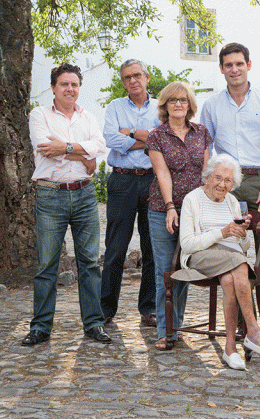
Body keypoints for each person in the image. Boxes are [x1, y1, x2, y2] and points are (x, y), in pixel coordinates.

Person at [200, 42, 260, 343]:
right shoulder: (212, 105)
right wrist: (210, 186)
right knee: (232, 251)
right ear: (222, 69)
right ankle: (243, 320)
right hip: (229, 185)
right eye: (228, 65)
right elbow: (207, 148)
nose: (234, 69)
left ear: (249, 65)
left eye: (239, 64)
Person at [22, 62, 110, 345]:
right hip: (50, 195)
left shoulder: (88, 117)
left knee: (89, 263)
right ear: (53, 88)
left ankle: (94, 324)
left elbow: (100, 145)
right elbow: (45, 149)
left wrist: (67, 148)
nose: (70, 89)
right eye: (64, 84)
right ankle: (41, 327)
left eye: (74, 84)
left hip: (85, 195)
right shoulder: (39, 115)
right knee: (47, 265)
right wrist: (83, 153)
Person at [175, 154, 260, 370]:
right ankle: (253, 330)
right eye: (218, 178)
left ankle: (230, 348)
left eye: (228, 180)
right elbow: (187, 245)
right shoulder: (192, 199)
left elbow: (242, 247)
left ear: (233, 184)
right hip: (201, 256)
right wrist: (222, 233)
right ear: (207, 177)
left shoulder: (233, 202)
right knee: (240, 264)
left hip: (228, 260)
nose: (222, 184)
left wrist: (241, 235)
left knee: (228, 279)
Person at [145, 81, 212, 350]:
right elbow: (163, 174)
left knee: (184, 268)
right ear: (164, 105)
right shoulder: (156, 136)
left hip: (195, 211)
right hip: (164, 210)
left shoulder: (202, 132)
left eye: (183, 100)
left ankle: (176, 324)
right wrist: (171, 207)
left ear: (190, 105)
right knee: (166, 271)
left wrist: (206, 208)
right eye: (172, 100)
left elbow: (207, 172)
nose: (178, 104)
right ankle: (165, 331)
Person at [100, 59, 159, 328]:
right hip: (122, 182)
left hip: (153, 182)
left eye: (137, 75)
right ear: (123, 82)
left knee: (152, 248)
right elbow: (111, 140)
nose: (132, 81)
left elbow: (164, 140)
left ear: (147, 77)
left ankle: (148, 308)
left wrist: (132, 134)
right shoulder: (114, 107)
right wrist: (147, 140)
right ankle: (105, 309)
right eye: (127, 78)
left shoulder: (160, 107)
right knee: (115, 248)